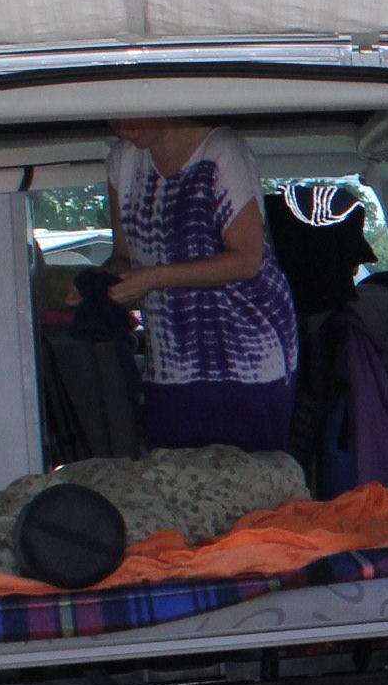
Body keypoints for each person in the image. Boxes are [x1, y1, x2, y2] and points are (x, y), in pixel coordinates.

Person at [104, 119, 302, 456]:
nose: (123, 129)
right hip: (170, 357)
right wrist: (102, 284)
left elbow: (246, 259)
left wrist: (154, 278)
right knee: (175, 482)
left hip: (247, 356)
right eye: (112, 118)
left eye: (129, 117)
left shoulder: (221, 150)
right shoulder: (122, 162)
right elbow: (124, 255)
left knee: (250, 480)